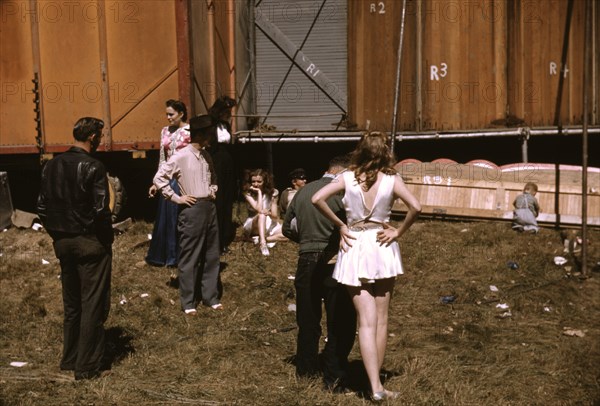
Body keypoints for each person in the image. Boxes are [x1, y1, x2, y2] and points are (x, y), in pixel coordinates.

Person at [311, 132, 421, 401]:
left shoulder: (347, 177)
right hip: (382, 244)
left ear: (360, 150)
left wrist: (341, 226)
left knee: (366, 321)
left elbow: (317, 199)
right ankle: (376, 386)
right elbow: (416, 206)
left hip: (356, 244)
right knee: (381, 319)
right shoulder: (392, 178)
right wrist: (398, 232)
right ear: (385, 152)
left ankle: (374, 387)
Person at [37, 117, 113, 380]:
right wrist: (104, 239)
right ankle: (87, 367)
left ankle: (69, 359)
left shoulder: (51, 165)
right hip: (89, 242)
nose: (101, 140)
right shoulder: (94, 166)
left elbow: (41, 207)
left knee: (72, 303)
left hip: (62, 242)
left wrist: (57, 234)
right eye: (100, 136)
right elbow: (102, 210)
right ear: (92, 137)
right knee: (93, 303)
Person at [282, 156, 356, 393]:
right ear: (344, 170)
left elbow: (286, 228)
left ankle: (305, 370)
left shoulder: (302, 192)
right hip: (334, 260)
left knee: (307, 318)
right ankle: (334, 375)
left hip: (306, 259)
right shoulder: (342, 191)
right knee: (339, 319)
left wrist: (305, 240)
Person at [153, 114, 222, 314]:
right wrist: (176, 198)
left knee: (211, 255)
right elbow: (160, 178)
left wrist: (213, 189)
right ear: (200, 134)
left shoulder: (207, 156)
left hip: (209, 208)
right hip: (191, 210)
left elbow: (213, 177)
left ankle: (210, 297)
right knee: (190, 256)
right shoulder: (181, 156)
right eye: (209, 133)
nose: (212, 136)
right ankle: (189, 302)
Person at [145, 99, 191, 267]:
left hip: (184, 178)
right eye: (166, 114)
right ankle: (162, 255)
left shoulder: (190, 132)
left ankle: (178, 257)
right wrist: (156, 182)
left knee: (179, 217)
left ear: (181, 113)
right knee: (165, 218)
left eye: (171, 114)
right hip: (168, 179)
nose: (168, 118)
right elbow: (162, 158)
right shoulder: (165, 131)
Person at [208, 96, 238, 255]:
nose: (228, 114)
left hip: (227, 163)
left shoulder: (225, 125)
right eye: (226, 111)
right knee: (218, 201)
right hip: (216, 163)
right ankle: (216, 240)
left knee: (227, 200)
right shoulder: (211, 125)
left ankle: (225, 238)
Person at [242, 168, 287, 256]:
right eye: (253, 181)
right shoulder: (248, 193)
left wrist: (269, 213)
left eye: (259, 182)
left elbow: (274, 216)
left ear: (265, 182)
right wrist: (259, 192)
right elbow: (258, 208)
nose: (255, 184)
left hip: (267, 221)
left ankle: (264, 239)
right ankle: (263, 244)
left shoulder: (273, 192)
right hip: (253, 223)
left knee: (287, 234)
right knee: (261, 214)